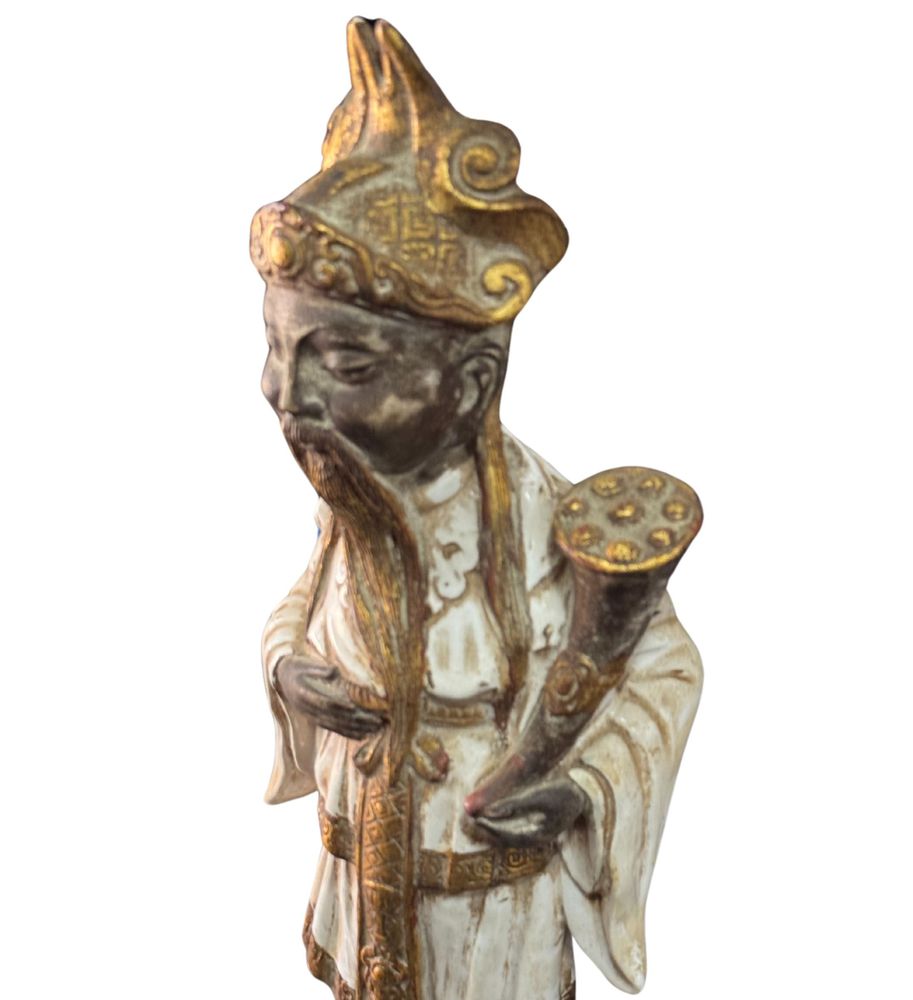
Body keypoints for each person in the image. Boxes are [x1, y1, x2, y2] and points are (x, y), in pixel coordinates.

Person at [251, 18, 702, 1000]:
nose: (287, 396)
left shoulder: (548, 525)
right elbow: (308, 592)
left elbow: (661, 667)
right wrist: (287, 666)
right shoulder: (354, 499)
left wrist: (577, 786)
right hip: (362, 898)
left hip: (487, 923)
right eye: (277, 350)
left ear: (468, 383)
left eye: (344, 364)